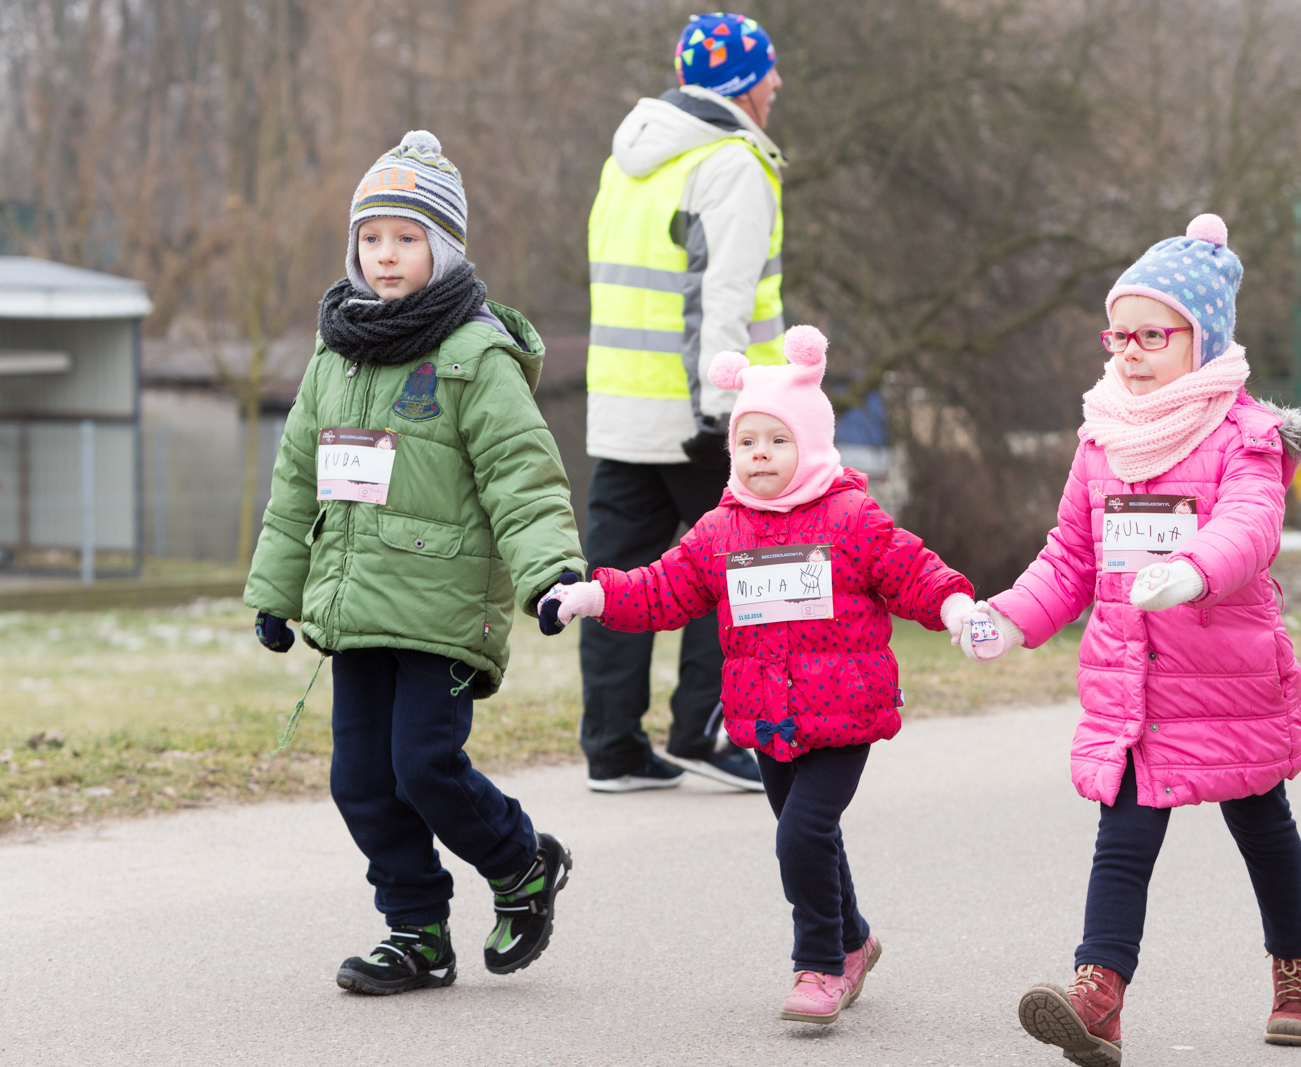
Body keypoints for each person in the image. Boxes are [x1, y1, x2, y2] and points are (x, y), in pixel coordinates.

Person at [954, 215, 1301, 1064]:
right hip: (1133, 691)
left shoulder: (1246, 438)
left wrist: (1195, 569)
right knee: (1122, 838)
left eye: (1151, 335)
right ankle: (1098, 996)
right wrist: (1010, 616)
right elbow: (1069, 558)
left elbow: (1250, 526)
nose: (1129, 351)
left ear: (1202, 339)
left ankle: (1296, 969)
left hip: (1228, 679)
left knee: (1263, 826)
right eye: (1118, 334)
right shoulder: (1102, 441)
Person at [542, 326, 978, 1024]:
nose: (760, 455)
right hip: (767, 717)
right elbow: (663, 588)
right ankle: (855, 938)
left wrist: (955, 605)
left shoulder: (851, 516)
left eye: (777, 440)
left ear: (808, 442)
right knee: (813, 836)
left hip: (844, 716)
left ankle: (820, 966)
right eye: (747, 442)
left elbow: (913, 570)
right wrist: (594, 595)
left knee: (800, 835)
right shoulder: (721, 529)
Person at [245, 130, 585, 996]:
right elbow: (295, 480)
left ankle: (521, 865)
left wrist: (551, 573)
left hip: (441, 603)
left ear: (444, 246)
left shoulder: (474, 355)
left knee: (422, 766)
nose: (386, 255)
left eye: (406, 237)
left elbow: (523, 472)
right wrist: (278, 589)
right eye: (371, 237)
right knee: (360, 779)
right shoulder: (336, 350)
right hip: (356, 605)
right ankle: (416, 932)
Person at [579, 11, 788, 793]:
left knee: (617, 581)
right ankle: (706, 727)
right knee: (736, 570)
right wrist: (720, 410)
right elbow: (720, 294)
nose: (777, 86)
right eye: (768, 73)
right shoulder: (733, 162)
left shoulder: (627, 160)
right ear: (743, 82)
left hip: (621, 412)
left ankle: (612, 745)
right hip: (701, 414)